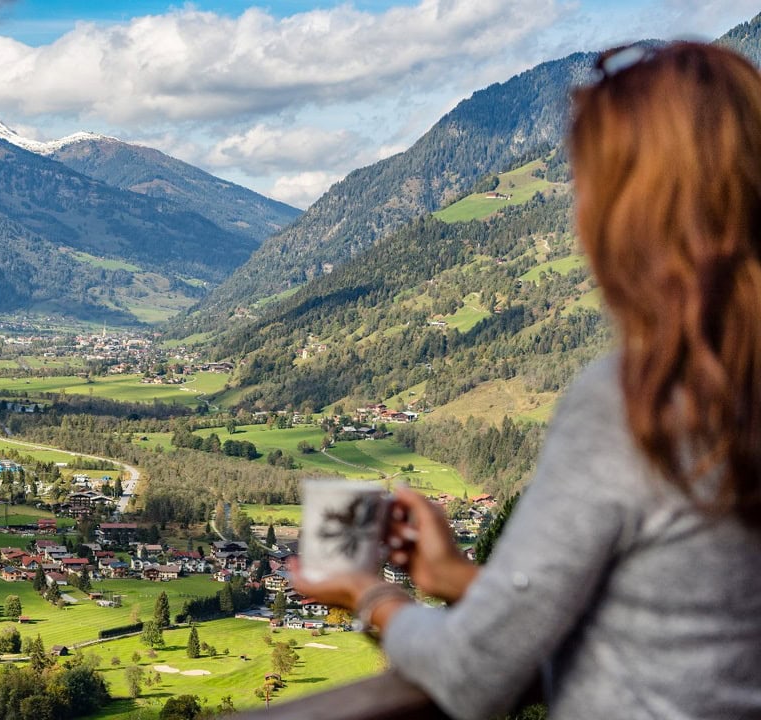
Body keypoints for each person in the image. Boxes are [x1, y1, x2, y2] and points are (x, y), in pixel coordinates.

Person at [292, 41, 761, 720]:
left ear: (628, 216)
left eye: (589, 187)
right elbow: (688, 615)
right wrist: (456, 579)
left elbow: (471, 675)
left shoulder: (641, 403)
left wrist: (369, 596)